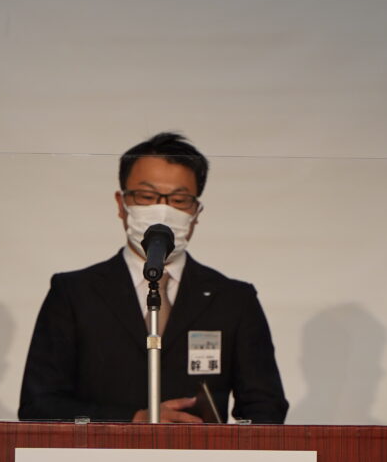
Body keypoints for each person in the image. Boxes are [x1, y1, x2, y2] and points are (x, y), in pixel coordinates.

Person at [18, 133, 289, 424]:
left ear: (196, 211)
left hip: (200, 453)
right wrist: (132, 420)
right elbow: (39, 404)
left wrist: (220, 446)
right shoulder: (74, 293)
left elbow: (266, 407)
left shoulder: (233, 300)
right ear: (121, 204)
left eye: (179, 200)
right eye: (146, 197)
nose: (163, 210)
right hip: (100, 453)